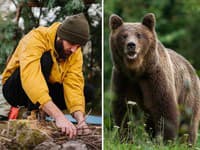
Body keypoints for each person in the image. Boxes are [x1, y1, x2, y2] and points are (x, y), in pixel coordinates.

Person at [2, 13, 90, 139]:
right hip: (16, 89)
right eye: (71, 43)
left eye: (78, 46)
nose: (74, 50)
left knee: (87, 91)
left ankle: (44, 111)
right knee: (46, 59)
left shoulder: (74, 52)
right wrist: (59, 116)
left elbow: (74, 84)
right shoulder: (36, 38)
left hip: (45, 88)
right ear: (61, 36)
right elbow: (31, 78)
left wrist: (80, 120)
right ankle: (31, 114)